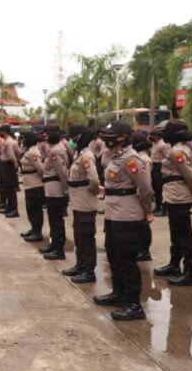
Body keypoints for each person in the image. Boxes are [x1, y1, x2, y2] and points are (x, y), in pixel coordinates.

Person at [95, 121, 154, 321]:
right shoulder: (115, 156)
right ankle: (119, 294)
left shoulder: (131, 159)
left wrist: (148, 211)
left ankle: (134, 305)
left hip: (127, 214)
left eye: (112, 134)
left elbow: (145, 189)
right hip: (113, 213)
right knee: (113, 255)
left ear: (123, 137)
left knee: (127, 259)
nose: (107, 138)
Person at [154, 120, 192, 286]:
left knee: (183, 233)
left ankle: (189, 271)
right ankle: (174, 264)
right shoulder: (176, 148)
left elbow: (189, 175)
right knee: (176, 232)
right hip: (173, 193)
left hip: (179, 195)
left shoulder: (178, 151)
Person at [63, 125, 100, 283]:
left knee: (86, 236)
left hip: (85, 200)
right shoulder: (79, 154)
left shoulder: (87, 156)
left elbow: (94, 181)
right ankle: (80, 265)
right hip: (78, 201)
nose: (70, 140)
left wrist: (92, 193)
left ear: (80, 137)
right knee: (78, 235)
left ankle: (89, 270)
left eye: (72, 137)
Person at [39, 124, 70, 260]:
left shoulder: (56, 150)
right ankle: (53, 244)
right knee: (52, 218)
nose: (44, 136)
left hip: (56, 188)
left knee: (56, 219)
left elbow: (62, 172)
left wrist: (65, 190)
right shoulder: (54, 148)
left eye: (46, 134)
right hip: (51, 187)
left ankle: (59, 249)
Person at [131, 133, 154, 262]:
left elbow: (146, 181)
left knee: (143, 224)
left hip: (141, 194)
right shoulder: (137, 157)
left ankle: (145, 250)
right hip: (136, 194)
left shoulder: (143, 159)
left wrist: (145, 199)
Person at [20, 130, 46, 243]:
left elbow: (41, 169)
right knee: (30, 208)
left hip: (35, 184)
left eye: (24, 138)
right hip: (29, 183)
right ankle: (33, 229)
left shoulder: (33, 152)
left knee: (35, 209)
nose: (22, 140)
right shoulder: (30, 151)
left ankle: (37, 232)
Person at [0, 126, 20, 218]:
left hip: (8, 165)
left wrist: (15, 165)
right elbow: (18, 152)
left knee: (10, 188)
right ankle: (10, 207)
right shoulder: (6, 141)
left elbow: (12, 156)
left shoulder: (9, 142)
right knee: (7, 187)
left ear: (4, 131)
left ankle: (14, 210)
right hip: (6, 164)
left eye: (0, 131)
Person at [149, 129, 169, 216]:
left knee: (160, 188)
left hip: (159, 166)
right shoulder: (154, 144)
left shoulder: (163, 145)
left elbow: (166, 157)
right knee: (155, 188)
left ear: (157, 136)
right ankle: (157, 206)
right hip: (153, 166)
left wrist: (162, 166)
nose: (150, 137)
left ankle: (163, 208)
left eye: (152, 135)